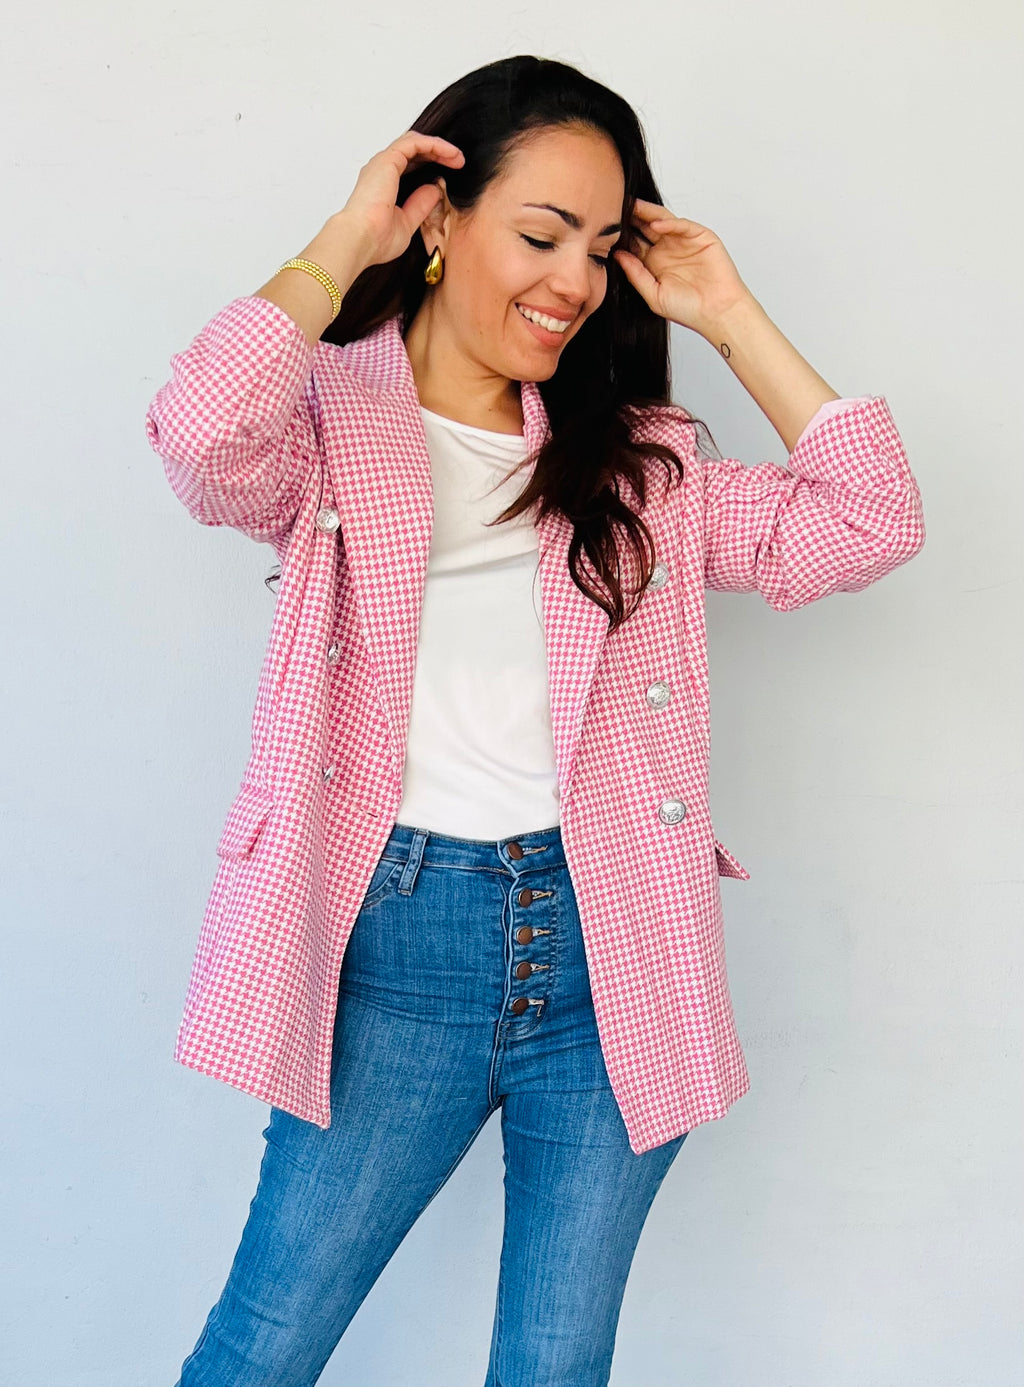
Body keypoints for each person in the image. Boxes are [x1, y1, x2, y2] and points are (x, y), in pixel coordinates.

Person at [146, 53, 925, 1387]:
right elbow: (199, 435)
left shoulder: (643, 460)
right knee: (266, 1345)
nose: (573, 282)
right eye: (541, 233)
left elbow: (869, 522)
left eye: (603, 246)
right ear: (441, 219)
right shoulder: (326, 419)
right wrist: (345, 238)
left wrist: (728, 310)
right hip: (398, 945)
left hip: (611, 932)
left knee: (558, 1366)